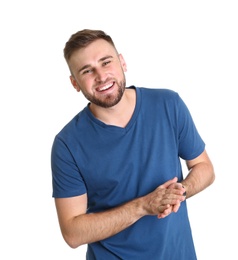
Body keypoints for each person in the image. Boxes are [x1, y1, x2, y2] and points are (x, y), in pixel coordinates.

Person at [51, 29, 215, 260]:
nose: (101, 76)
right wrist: (143, 206)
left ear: (122, 62)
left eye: (106, 62)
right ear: (75, 83)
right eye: (87, 71)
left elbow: (204, 168)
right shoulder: (67, 144)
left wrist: (179, 192)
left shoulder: (168, 104)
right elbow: (72, 233)